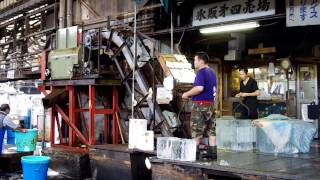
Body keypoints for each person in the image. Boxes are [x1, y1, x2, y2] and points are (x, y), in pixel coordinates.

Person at [182, 52, 217, 158]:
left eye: (195, 59)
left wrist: (186, 94)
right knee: (211, 129)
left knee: (197, 130)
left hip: (200, 104)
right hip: (211, 104)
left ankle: (194, 154)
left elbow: (199, 88)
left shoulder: (201, 72)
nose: (194, 62)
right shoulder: (212, 72)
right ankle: (213, 152)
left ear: (201, 61)